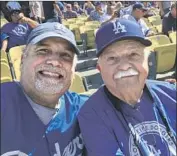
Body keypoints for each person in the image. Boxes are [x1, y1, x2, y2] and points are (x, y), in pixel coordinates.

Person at [78, 19, 176, 156]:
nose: (124, 66)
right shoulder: (92, 114)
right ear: (99, 68)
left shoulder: (171, 93)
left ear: (147, 60)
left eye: (133, 55)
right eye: (112, 58)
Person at [1, 22, 89, 155]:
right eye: (43, 51)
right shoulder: (4, 101)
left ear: (73, 69)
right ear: (23, 58)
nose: (54, 61)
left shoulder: (87, 109)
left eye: (65, 55)